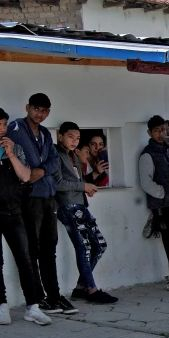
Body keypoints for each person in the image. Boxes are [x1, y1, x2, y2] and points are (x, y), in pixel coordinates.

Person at [8, 93, 77, 314]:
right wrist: (32, 171)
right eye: (36, 109)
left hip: (48, 196)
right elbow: (17, 161)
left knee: (49, 249)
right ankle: (37, 299)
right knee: (32, 250)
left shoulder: (47, 133)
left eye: (45, 110)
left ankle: (54, 296)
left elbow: (54, 161)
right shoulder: (16, 129)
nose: (40, 114)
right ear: (28, 107)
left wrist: (40, 170)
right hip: (28, 197)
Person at [54, 122, 117, 304]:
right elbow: (58, 183)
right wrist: (83, 186)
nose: (74, 141)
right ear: (60, 136)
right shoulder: (56, 155)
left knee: (100, 245)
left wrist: (87, 186)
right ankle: (91, 289)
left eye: (78, 138)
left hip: (81, 205)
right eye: (70, 137)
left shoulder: (74, 155)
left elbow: (78, 181)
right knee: (86, 247)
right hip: (68, 206)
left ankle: (81, 287)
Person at [0, 108, 52, 326]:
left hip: (13, 211)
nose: (2, 129)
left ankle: (33, 307)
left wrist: (11, 154)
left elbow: (25, 176)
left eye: (4, 124)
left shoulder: (14, 148)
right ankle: (2, 306)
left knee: (25, 258)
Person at [139, 115, 169, 292]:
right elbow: (146, 182)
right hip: (162, 206)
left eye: (163, 129)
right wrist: (162, 193)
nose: (161, 133)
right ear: (149, 132)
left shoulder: (168, 150)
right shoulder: (147, 154)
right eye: (157, 130)